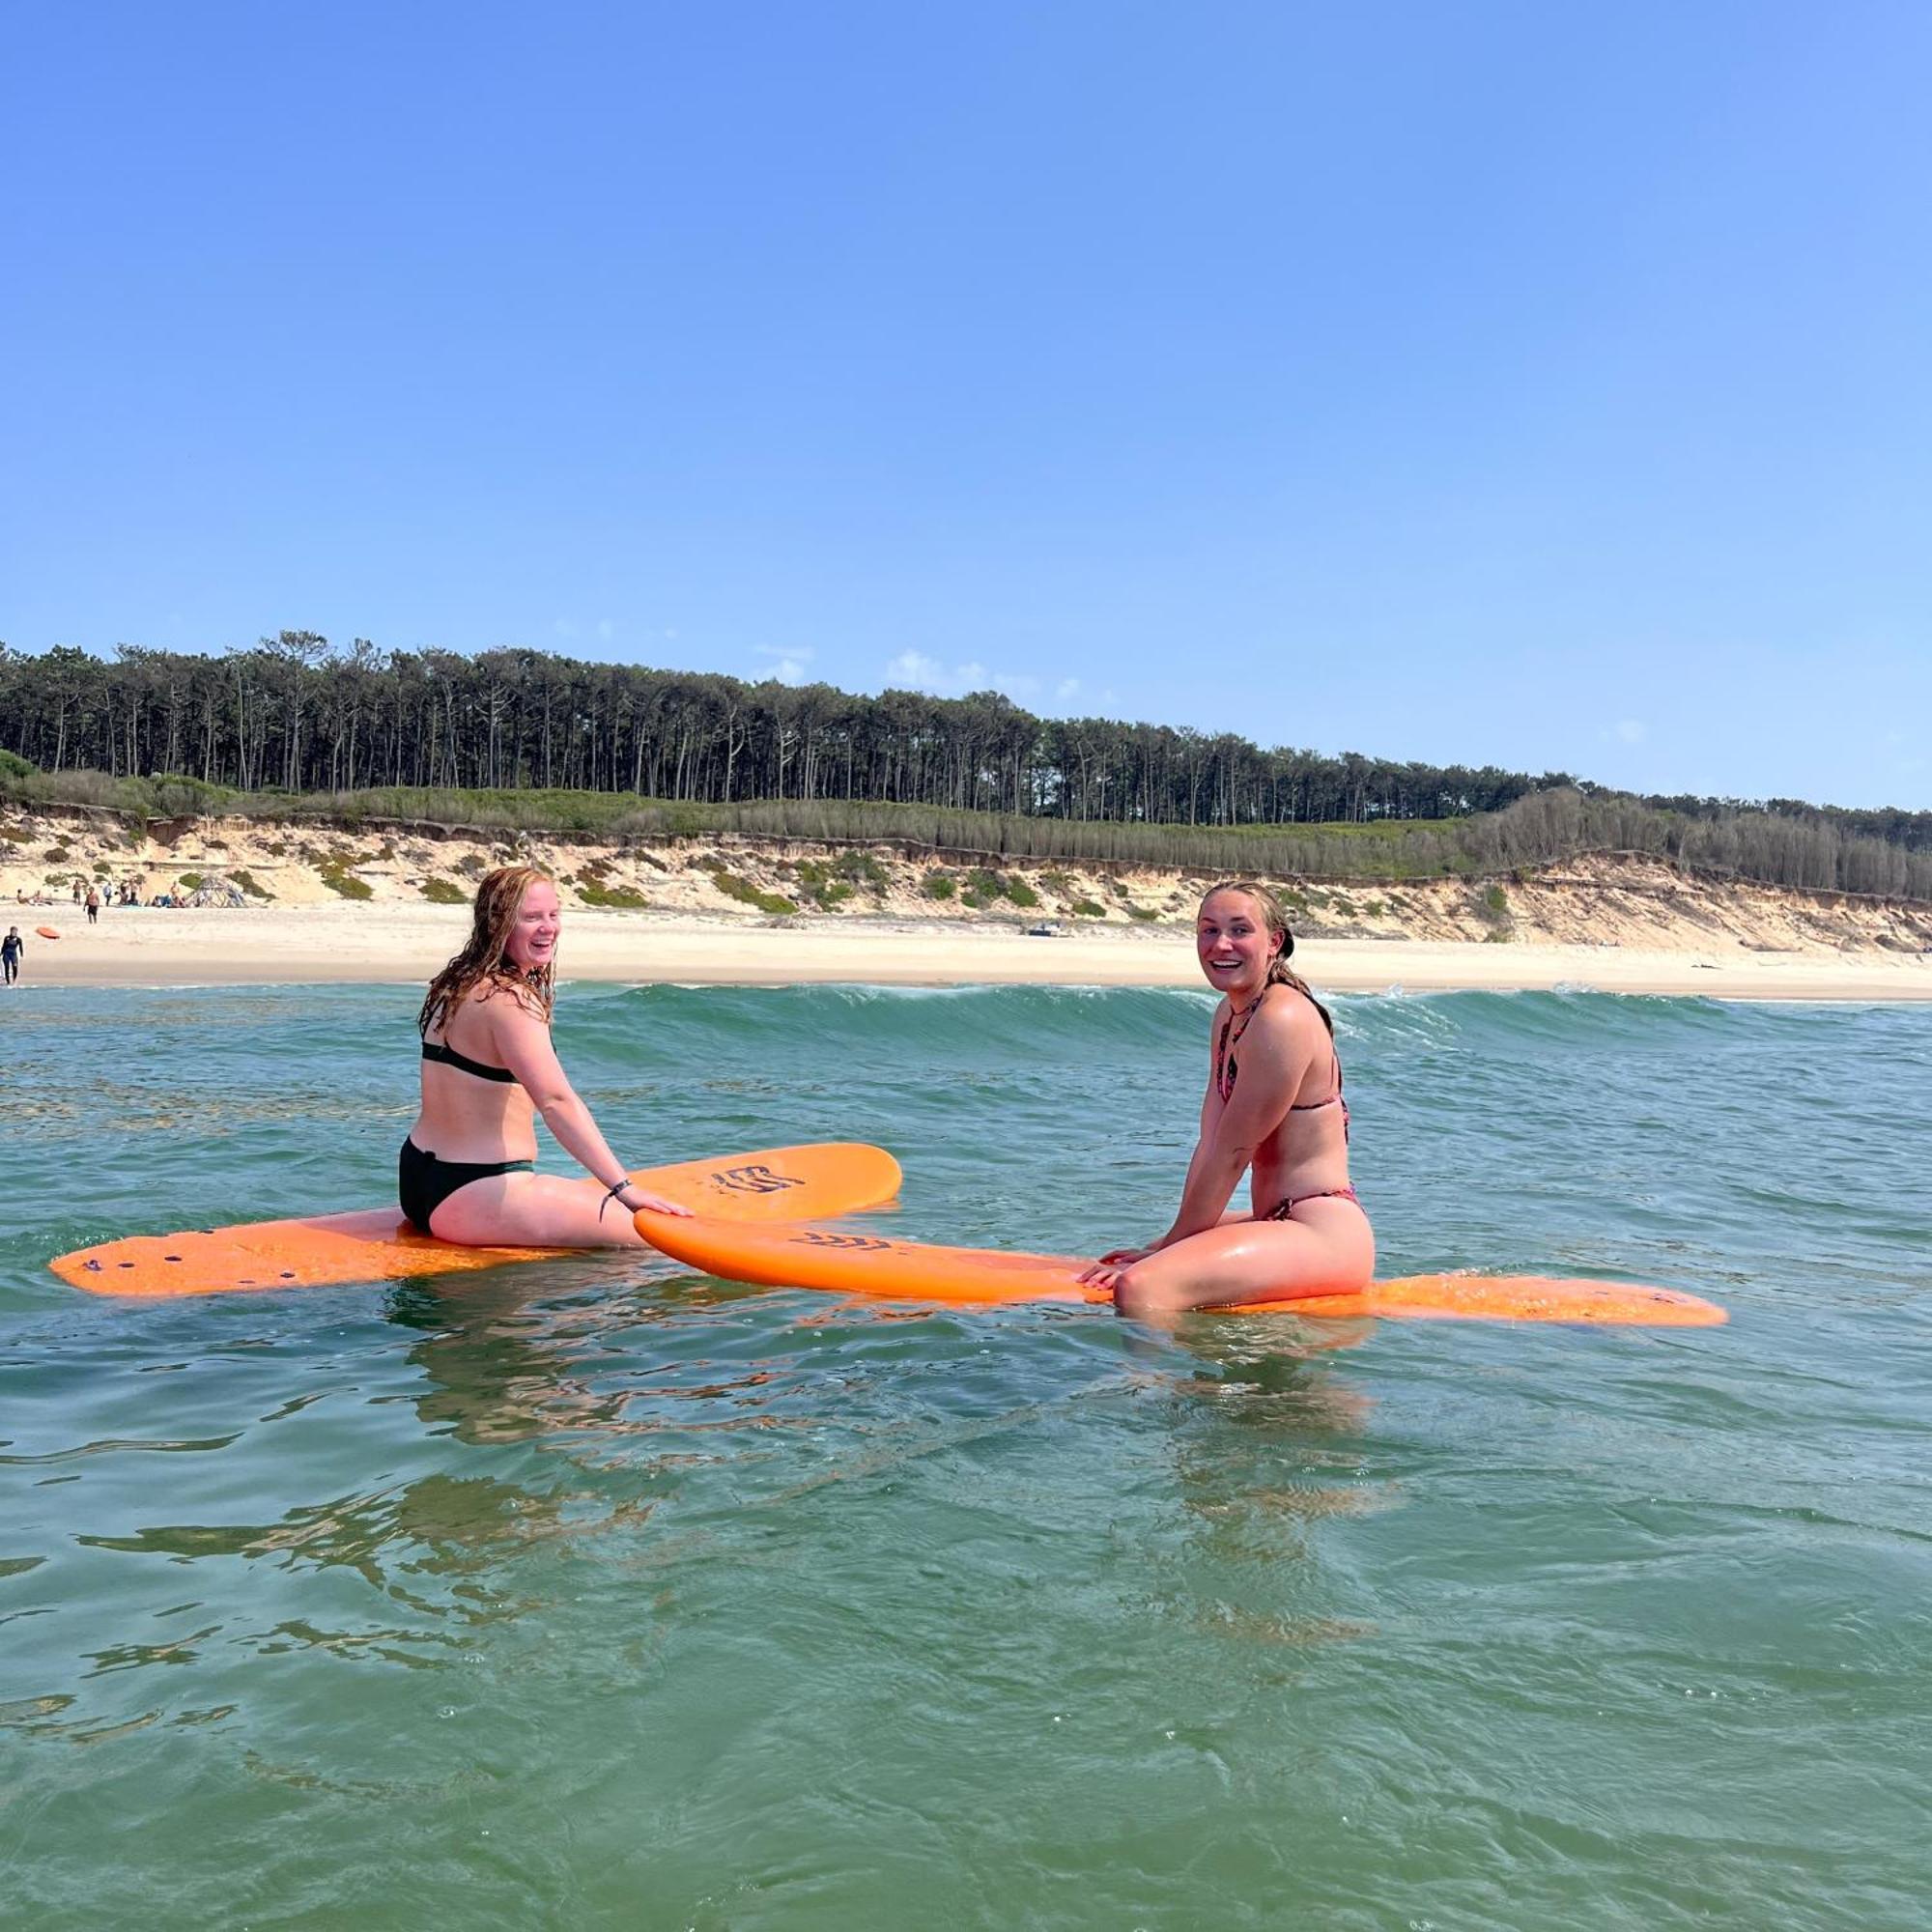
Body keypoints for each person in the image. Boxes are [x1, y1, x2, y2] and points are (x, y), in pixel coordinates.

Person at [1081, 881, 1374, 1317]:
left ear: (1274, 942)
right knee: (1154, 1251)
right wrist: (1169, 1243)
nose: (1221, 945)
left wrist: (1166, 1256)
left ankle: (1154, 1384)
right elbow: (1211, 1143)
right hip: (1278, 1220)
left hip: (1325, 1234)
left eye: (1240, 930)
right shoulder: (1231, 1015)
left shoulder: (1282, 1017)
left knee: (1142, 1287)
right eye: (1208, 930)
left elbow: (1234, 1154)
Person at [401, 865, 694, 1245]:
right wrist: (623, 1189)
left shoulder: (454, 984)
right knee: (658, 1244)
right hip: (478, 1190)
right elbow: (556, 1102)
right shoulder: (510, 999)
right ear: (497, 922)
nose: (548, 928)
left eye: (554, 915)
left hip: (417, 1179)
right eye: (531, 917)